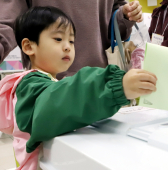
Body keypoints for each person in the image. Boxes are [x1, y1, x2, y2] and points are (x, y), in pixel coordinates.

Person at [0, 7, 157, 170]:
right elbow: (56, 103)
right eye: (58, 39)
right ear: (28, 46)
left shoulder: (46, 80)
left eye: (71, 41)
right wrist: (116, 86)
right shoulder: (30, 84)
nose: (67, 46)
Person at [0, 0, 143, 79]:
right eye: (58, 38)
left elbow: (112, 19)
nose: (68, 47)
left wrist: (125, 15)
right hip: (48, 82)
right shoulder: (34, 88)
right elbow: (7, 22)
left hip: (99, 81)